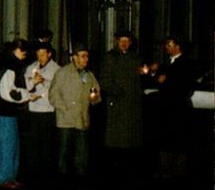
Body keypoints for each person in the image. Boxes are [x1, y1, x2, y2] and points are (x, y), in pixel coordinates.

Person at [48, 44, 102, 181]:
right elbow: (53, 95)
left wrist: (94, 97)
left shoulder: (89, 75)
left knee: (82, 153)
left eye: (87, 56)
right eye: (83, 56)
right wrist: (65, 109)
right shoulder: (63, 73)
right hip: (66, 119)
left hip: (82, 118)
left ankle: (80, 181)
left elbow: (96, 94)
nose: (86, 59)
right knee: (63, 152)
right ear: (74, 57)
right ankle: (62, 180)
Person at [99, 31, 145, 181]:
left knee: (131, 142)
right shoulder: (110, 57)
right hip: (117, 104)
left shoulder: (135, 58)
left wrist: (145, 73)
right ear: (116, 41)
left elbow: (140, 79)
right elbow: (104, 80)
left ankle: (129, 173)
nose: (124, 43)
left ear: (131, 43)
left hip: (133, 105)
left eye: (127, 41)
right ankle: (113, 173)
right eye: (121, 40)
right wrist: (117, 92)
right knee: (116, 141)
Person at [150, 35, 195, 178]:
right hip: (166, 109)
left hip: (178, 109)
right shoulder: (167, 63)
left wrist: (166, 80)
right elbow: (158, 80)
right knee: (166, 140)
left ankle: (176, 173)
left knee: (178, 142)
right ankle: (165, 171)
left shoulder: (186, 63)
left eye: (169, 44)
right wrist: (154, 73)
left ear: (177, 46)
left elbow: (186, 86)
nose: (166, 47)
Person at [0, 38, 29, 189]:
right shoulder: (10, 65)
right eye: (24, 53)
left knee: (12, 143)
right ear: (17, 51)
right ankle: (5, 177)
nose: (24, 57)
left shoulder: (7, 63)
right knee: (8, 144)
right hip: (5, 110)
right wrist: (27, 95)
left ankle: (10, 176)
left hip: (6, 111)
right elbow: (9, 93)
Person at [23, 42, 59, 181]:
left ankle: (47, 172)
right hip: (33, 109)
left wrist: (43, 81)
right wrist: (32, 83)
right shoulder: (31, 67)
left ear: (49, 54)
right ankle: (33, 170)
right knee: (33, 141)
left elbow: (56, 88)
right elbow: (26, 83)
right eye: (38, 55)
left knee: (47, 142)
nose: (40, 58)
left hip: (47, 110)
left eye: (43, 55)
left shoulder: (56, 69)